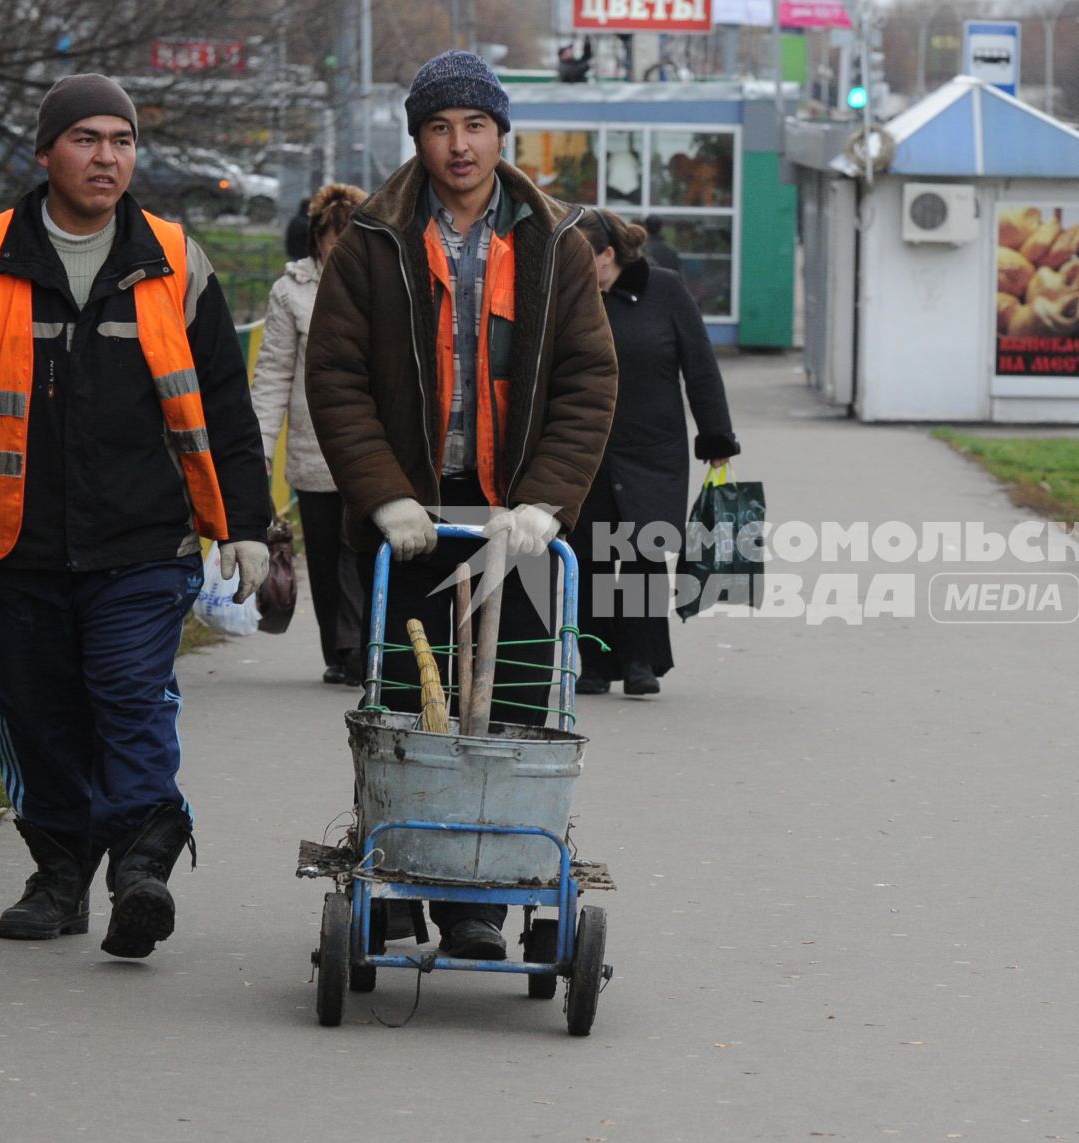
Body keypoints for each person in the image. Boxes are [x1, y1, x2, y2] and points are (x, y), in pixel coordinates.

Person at [0, 73, 272, 958]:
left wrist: (247, 523)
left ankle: (142, 861)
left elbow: (223, 403)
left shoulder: (177, 259)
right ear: (46, 153)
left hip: (146, 541)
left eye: (123, 141)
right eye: (87, 139)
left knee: (128, 695)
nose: (108, 157)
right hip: (13, 537)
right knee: (35, 709)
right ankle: (58, 870)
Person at [305, 49, 618, 960]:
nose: (459, 145)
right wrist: (385, 495)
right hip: (413, 521)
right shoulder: (373, 238)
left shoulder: (552, 239)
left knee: (514, 703)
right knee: (401, 701)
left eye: (475, 125)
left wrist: (548, 503)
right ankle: (398, 881)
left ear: (499, 133)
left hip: (512, 522)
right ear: (419, 137)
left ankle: (481, 900)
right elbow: (337, 378)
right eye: (440, 126)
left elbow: (588, 381)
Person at [573, 208, 738, 697]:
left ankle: (643, 660)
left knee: (644, 554)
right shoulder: (571, 297)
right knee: (593, 557)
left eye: (586, 262)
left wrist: (716, 439)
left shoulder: (664, 290)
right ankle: (597, 663)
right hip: (587, 449)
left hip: (653, 449)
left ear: (609, 255)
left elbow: (700, 365)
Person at [251, 184, 369, 685]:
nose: (339, 248)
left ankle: (363, 648)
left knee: (361, 551)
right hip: (313, 447)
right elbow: (273, 372)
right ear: (316, 238)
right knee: (323, 555)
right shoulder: (291, 292)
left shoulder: (385, 285)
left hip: (372, 446)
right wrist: (259, 447)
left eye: (350, 237)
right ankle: (338, 652)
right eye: (331, 237)